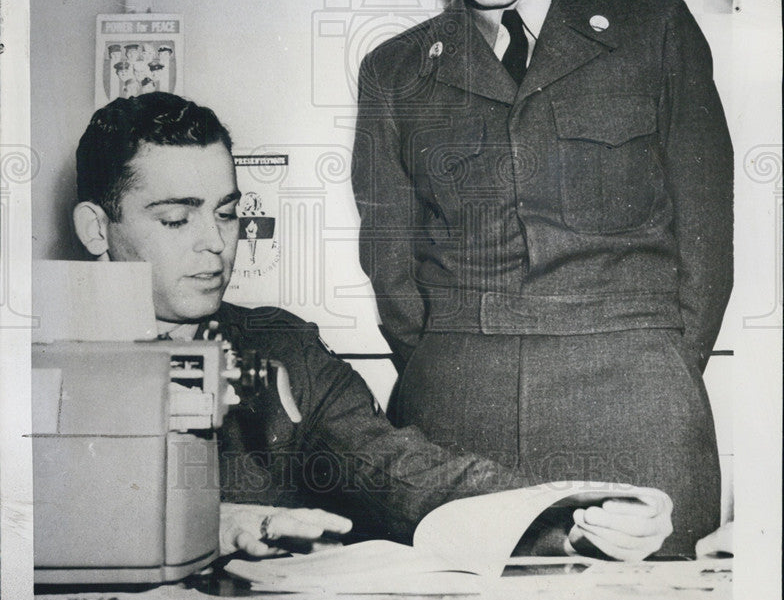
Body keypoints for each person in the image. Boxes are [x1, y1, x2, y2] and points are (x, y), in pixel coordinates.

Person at [351, 0, 733, 558]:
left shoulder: (656, 33)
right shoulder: (394, 72)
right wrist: (446, 363)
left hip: (636, 404)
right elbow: (390, 265)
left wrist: (656, 367)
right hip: (454, 412)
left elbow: (708, 244)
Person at [72, 91, 673, 561]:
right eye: (177, 220)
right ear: (97, 229)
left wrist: (571, 516)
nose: (215, 244)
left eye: (228, 214)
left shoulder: (283, 350)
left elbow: (397, 471)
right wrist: (216, 520)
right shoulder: (37, 363)